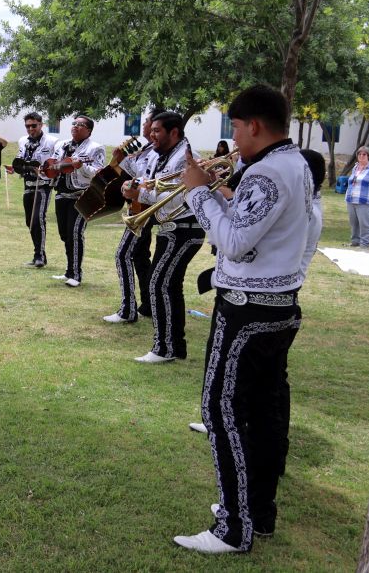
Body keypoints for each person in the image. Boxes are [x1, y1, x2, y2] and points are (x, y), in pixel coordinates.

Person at [173, 84, 312, 554]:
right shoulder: (292, 164)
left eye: (234, 126)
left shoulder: (267, 172)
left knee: (221, 409)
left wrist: (198, 195)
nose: (232, 136)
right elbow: (256, 230)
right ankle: (257, 511)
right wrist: (221, 194)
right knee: (263, 411)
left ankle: (234, 526)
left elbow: (233, 243)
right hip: (278, 308)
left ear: (253, 125)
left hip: (248, 310)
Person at [123, 112, 205, 361]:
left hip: (184, 228)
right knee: (166, 284)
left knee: (160, 283)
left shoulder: (187, 158)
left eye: (157, 130)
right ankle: (172, 347)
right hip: (169, 228)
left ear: (174, 133)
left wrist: (140, 195)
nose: (151, 134)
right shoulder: (161, 154)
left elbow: (175, 201)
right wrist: (134, 186)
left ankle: (166, 348)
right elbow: (149, 182)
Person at [104, 110, 160, 324]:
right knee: (139, 256)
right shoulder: (146, 148)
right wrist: (117, 159)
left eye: (147, 122)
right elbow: (130, 173)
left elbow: (150, 179)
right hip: (139, 207)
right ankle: (147, 304)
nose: (144, 125)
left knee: (123, 255)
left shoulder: (163, 152)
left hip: (149, 209)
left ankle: (128, 309)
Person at [50, 116, 105, 286]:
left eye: (80, 125)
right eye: (74, 124)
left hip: (82, 196)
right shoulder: (61, 144)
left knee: (75, 233)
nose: (75, 127)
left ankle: (76, 275)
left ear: (89, 130)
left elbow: (98, 173)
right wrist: (47, 170)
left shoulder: (96, 148)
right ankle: (69, 271)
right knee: (65, 234)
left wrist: (82, 166)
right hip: (61, 194)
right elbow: (53, 164)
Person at [6, 112, 56, 267]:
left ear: (41, 124)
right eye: (27, 126)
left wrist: (43, 171)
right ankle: (39, 254)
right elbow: (21, 159)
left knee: (37, 219)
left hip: (43, 185)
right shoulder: (22, 141)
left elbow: (56, 164)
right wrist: (14, 169)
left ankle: (39, 256)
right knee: (30, 221)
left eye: (33, 125)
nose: (30, 129)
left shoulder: (52, 141)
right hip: (27, 184)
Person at [345, 146, 369, 249]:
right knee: (354, 223)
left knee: (365, 224)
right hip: (351, 199)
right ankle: (355, 242)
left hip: (366, 201)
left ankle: (365, 244)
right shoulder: (355, 167)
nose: (361, 156)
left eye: (364, 154)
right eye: (359, 154)